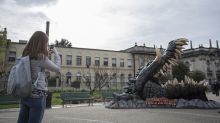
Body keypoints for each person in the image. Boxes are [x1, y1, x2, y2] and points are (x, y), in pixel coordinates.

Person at [17, 31, 61, 123]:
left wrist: (46, 55)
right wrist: (56, 54)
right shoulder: (41, 58)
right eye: (46, 43)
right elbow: (57, 69)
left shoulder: (24, 55)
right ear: (42, 43)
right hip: (37, 96)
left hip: (25, 95)